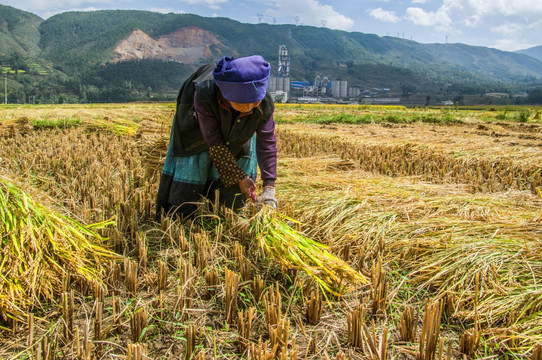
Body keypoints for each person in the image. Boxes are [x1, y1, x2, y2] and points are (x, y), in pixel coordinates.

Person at [155, 55, 278, 220]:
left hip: (235, 128)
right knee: (196, 159)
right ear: (226, 96)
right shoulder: (205, 94)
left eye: (254, 103)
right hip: (197, 126)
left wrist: (269, 186)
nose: (248, 109)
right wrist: (238, 177)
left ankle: (224, 213)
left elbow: (267, 144)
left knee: (240, 152)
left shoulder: (264, 104)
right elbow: (214, 142)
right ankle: (183, 217)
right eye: (242, 103)